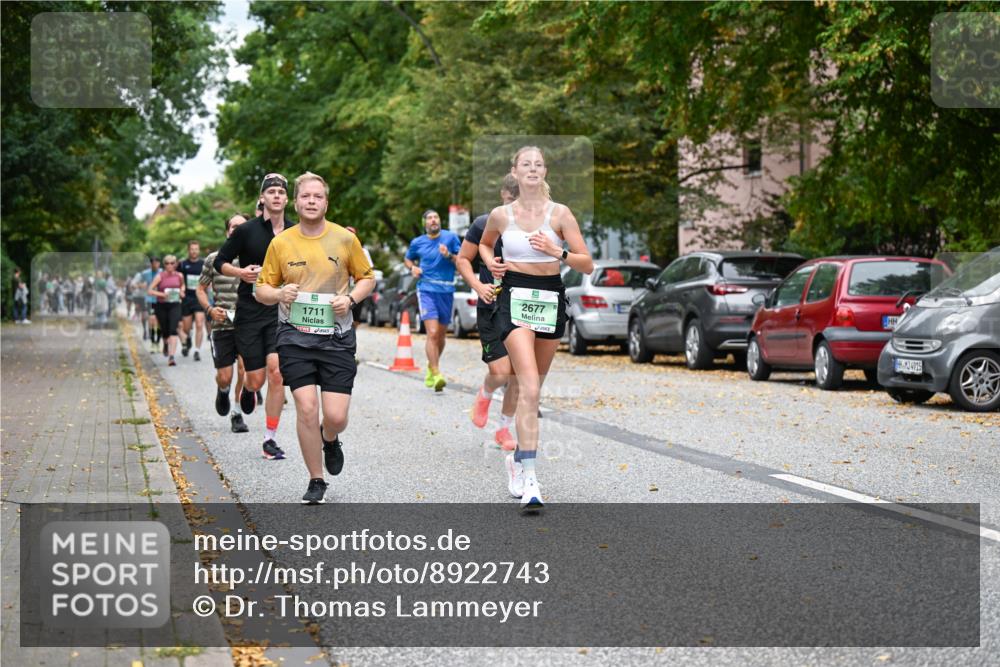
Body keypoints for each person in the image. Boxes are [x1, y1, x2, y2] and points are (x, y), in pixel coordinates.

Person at [479, 146, 593, 511]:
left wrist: (556, 251)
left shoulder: (560, 214)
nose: (532, 169)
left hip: (550, 297)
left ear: (545, 171)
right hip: (513, 296)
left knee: (534, 389)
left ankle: (515, 459)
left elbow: (586, 263)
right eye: (525, 164)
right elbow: (483, 244)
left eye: (538, 164)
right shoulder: (501, 215)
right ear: (515, 170)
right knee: (527, 386)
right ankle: (530, 476)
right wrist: (493, 264)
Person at [255, 172, 375, 504]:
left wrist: (350, 299)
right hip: (294, 337)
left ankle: (330, 437)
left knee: (335, 416)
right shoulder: (281, 243)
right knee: (306, 408)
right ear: (296, 202)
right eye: (305, 196)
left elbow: (367, 279)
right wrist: (279, 293)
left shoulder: (344, 239)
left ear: (326, 202)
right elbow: (261, 290)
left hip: (336, 337)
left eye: (317, 196)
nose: (311, 201)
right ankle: (316, 479)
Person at [214, 173, 296, 461]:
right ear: (262, 198)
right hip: (249, 312)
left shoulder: (296, 232)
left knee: (277, 371)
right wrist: (241, 273)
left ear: (287, 199)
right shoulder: (247, 231)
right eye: (270, 191)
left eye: (281, 192)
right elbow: (220, 261)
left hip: (281, 311)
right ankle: (248, 390)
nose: (276, 196)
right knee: (256, 379)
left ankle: (270, 439)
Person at [456, 173, 520, 451]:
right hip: (491, 305)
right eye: (509, 199)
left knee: (517, 375)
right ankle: (485, 393)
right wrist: (477, 285)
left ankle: (504, 429)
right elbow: (462, 260)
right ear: (502, 196)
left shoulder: (536, 226)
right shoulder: (484, 224)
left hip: (521, 306)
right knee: (501, 371)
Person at [198, 213, 251, 433]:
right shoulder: (213, 259)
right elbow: (200, 289)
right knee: (225, 375)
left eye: (241, 227)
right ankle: (223, 390)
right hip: (222, 324)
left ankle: (236, 413)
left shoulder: (256, 258)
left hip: (248, 324)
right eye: (233, 227)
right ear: (227, 231)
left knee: (245, 369)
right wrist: (210, 310)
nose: (236, 230)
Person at [404, 209, 462, 391]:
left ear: (439, 221)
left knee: (442, 335)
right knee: (433, 333)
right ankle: (436, 373)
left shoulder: (451, 238)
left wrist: (449, 256)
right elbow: (408, 259)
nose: (433, 220)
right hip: (426, 289)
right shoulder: (417, 242)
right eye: (429, 218)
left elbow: (462, 261)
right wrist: (412, 268)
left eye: (436, 217)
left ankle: (431, 366)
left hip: (446, 289)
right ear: (425, 223)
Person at [148, 254, 185, 366]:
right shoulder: (160, 276)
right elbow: (150, 290)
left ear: (176, 264)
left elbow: (182, 286)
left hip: (175, 305)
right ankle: (165, 344)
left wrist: (182, 292)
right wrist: (162, 294)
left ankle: (171, 357)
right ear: (164, 265)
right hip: (162, 306)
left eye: (172, 263)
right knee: (165, 331)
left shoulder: (179, 275)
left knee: (173, 330)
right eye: (167, 263)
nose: (170, 265)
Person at [178, 240, 207, 361]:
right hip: (187, 298)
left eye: (196, 249)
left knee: (200, 324)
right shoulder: (183, 264)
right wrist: (180, 289)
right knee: (186, 328)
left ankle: (197, 350)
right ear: (188, 250)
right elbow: (178, 280)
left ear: (198, 250)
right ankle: (188, 338)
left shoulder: (204, 264)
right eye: (192, 249)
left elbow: (209, 279)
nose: (194, 251)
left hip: (199, 297)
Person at [345, 226, 374, 327]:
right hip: (342, 289)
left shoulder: (363, 251)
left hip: (357, 288)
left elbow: (369, 271)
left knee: (356, 316)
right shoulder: (336, 250)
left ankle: (353, 334)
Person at [138, 257, 162, 351]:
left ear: (159, 264)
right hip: (150, 300)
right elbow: (137, 283)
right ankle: (152, 342)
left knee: (159, 322)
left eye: (157, 263)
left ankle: (158, 342)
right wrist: (141, 285)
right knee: (152, 321)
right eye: (153, 263)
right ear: (151, 264)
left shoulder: (162, 272)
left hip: (160, 300)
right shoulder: (145, 273)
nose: (155, 265)